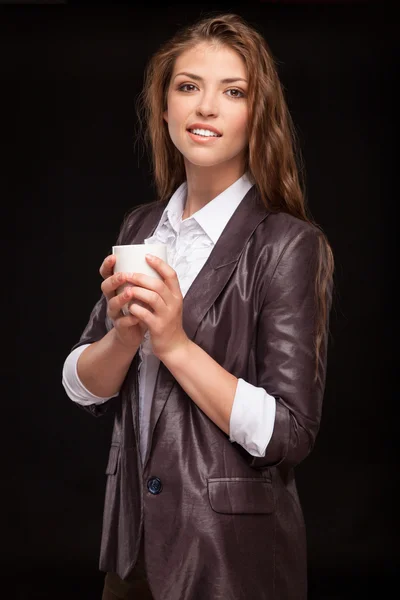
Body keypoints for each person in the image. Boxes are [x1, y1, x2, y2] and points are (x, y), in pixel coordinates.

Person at [62, 11, 334, 600]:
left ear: (256, 114)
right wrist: (124, 338)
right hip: (132, 550)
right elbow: (82, 384)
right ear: (164, 109)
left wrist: (175, 344)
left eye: (232, 92)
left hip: (229, 557)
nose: (205, 107)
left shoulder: (288, 243)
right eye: (188, 87)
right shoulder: (142, 227)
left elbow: (289, 433)